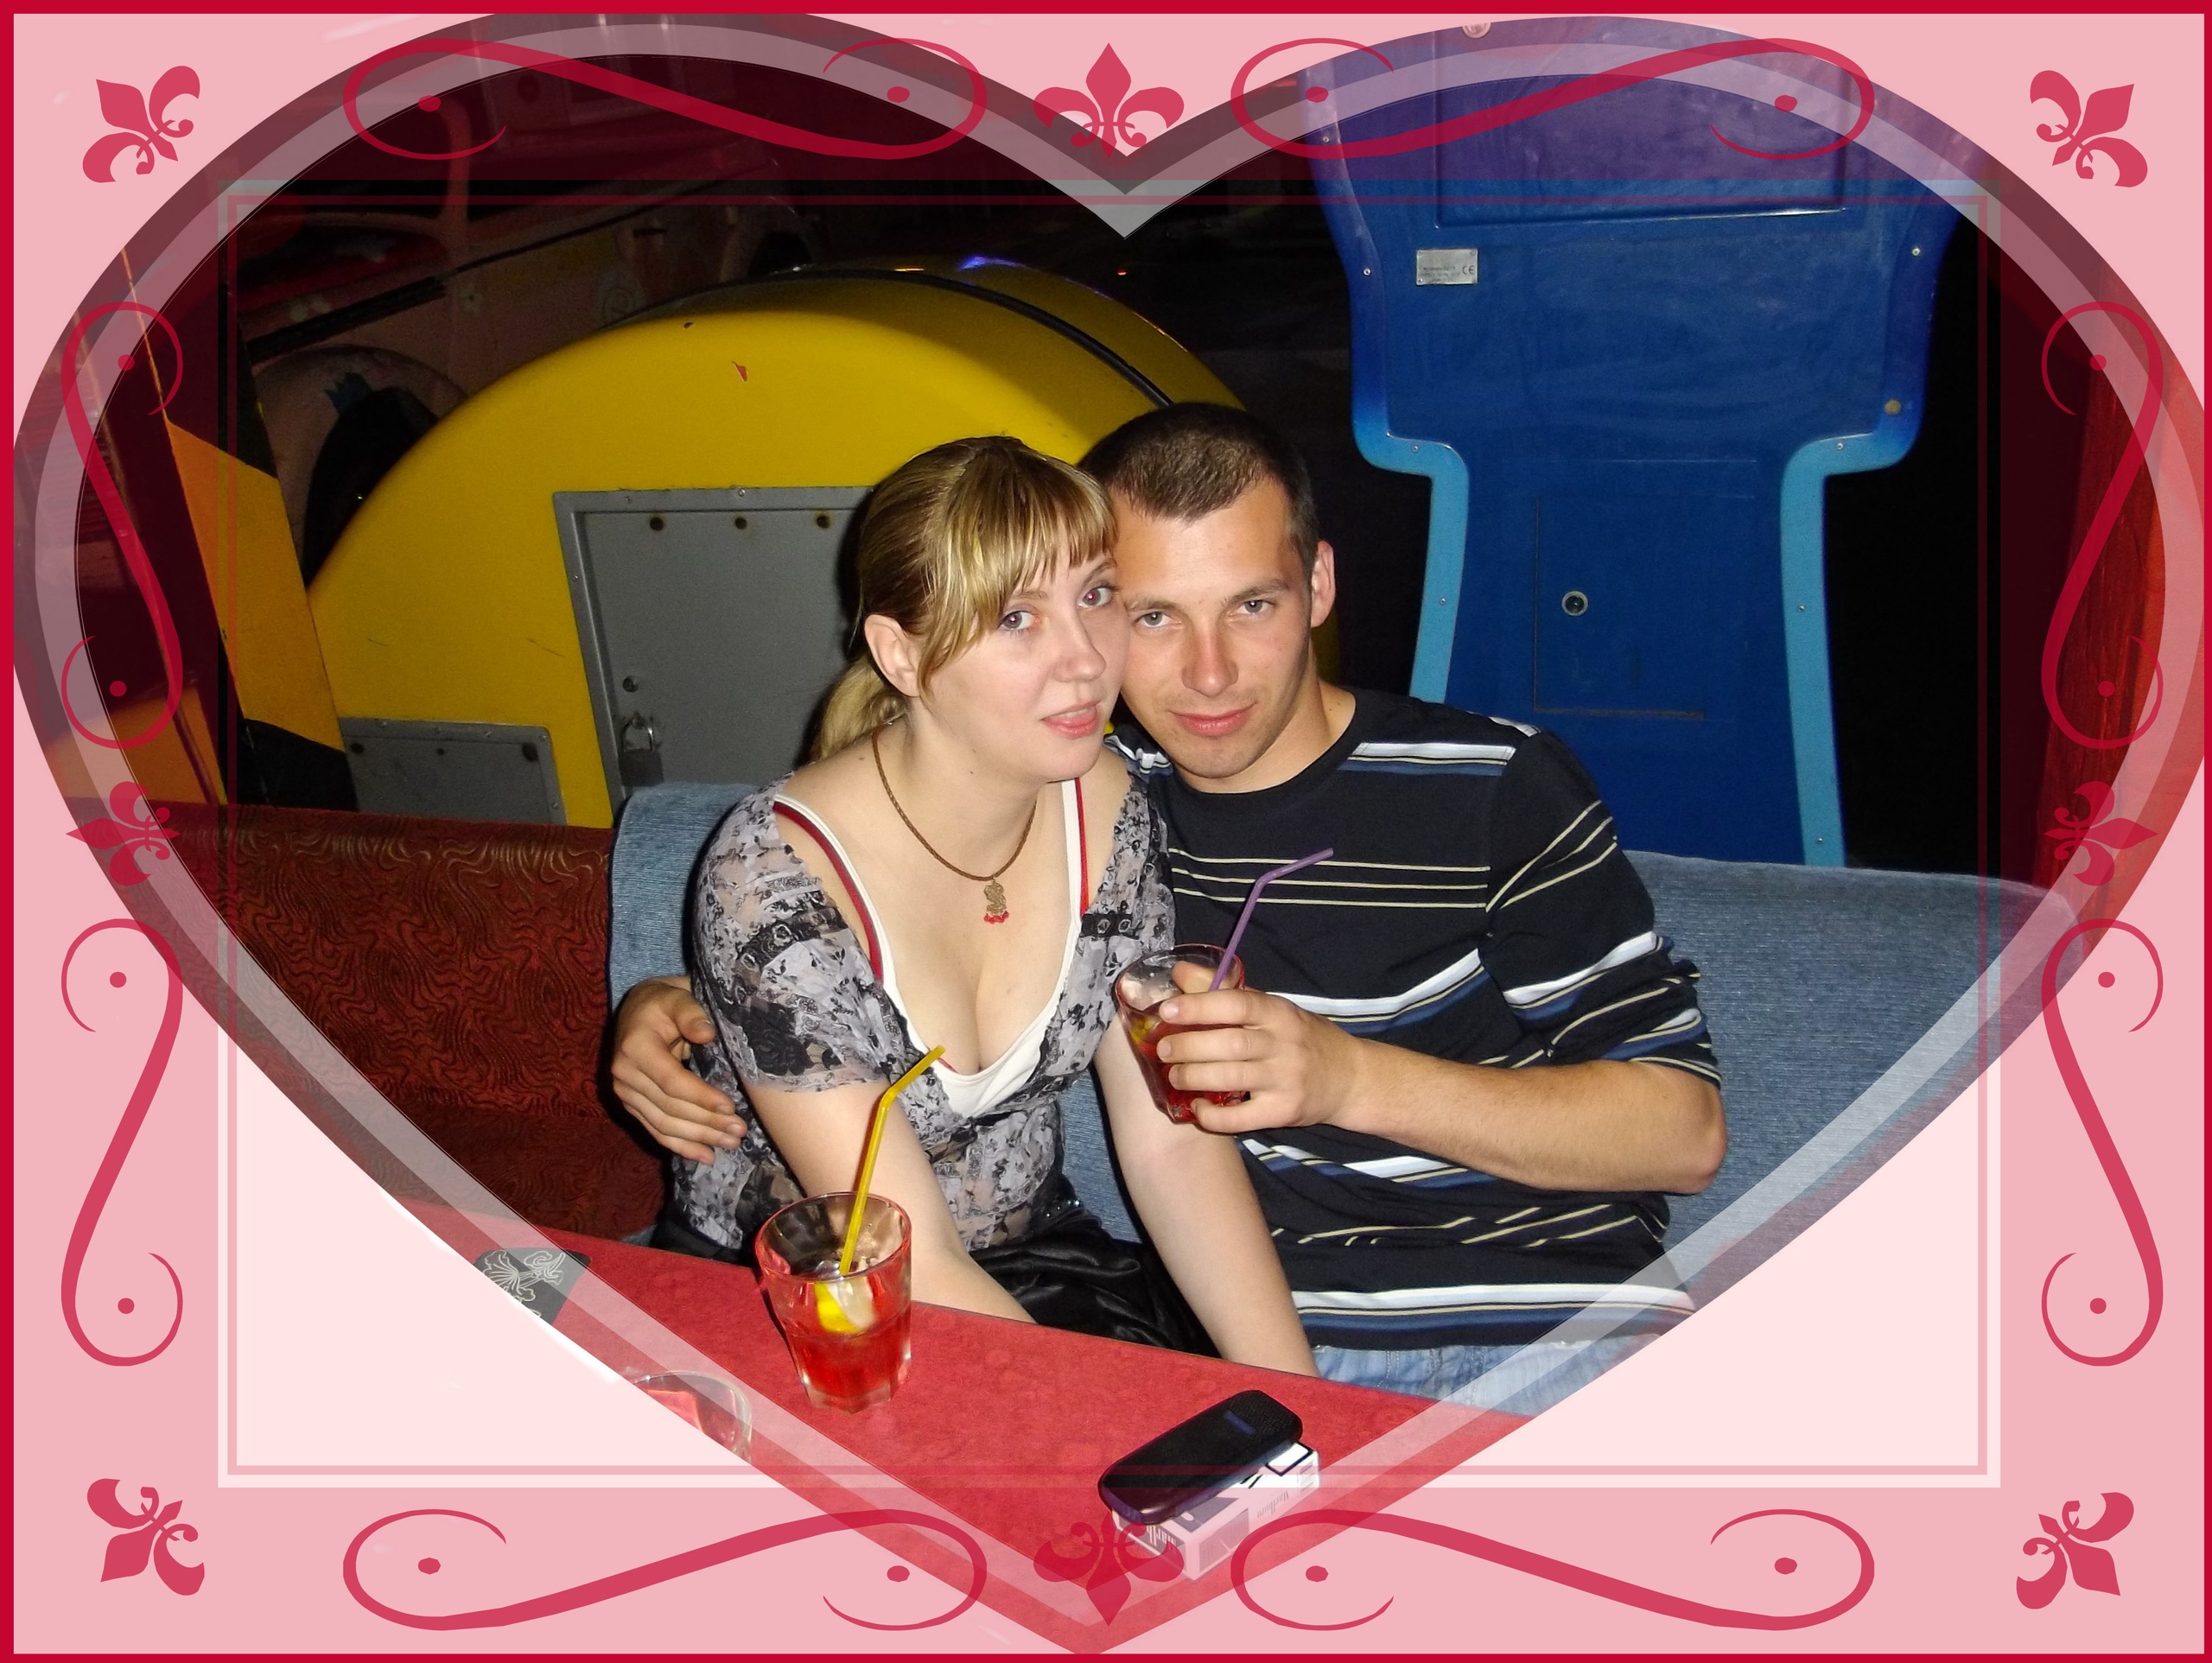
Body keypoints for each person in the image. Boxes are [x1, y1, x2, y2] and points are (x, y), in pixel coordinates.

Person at [615, 409, 1723, 1407]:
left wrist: (1347, 1082)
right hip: (1160, 1320)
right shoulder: (1078, 793)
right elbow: (828, 930)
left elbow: (1683, 1131)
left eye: (1251, 604)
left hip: (1555, 1317)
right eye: (1148, 612)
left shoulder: (1474, 785)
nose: (1202, 673)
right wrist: (688, 996)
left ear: (1319, 585)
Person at [645, 433, 1315, 1376]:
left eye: (1095, 595)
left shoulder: (1112, 810)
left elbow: (1171, 1146)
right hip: (814, 1297)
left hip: (1035, 1262)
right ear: (901, 654)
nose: (1085, 660)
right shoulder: (774, 881)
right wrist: (1097, 1432)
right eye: (1016, 618)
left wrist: (1298, 1393)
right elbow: (905, 1249)